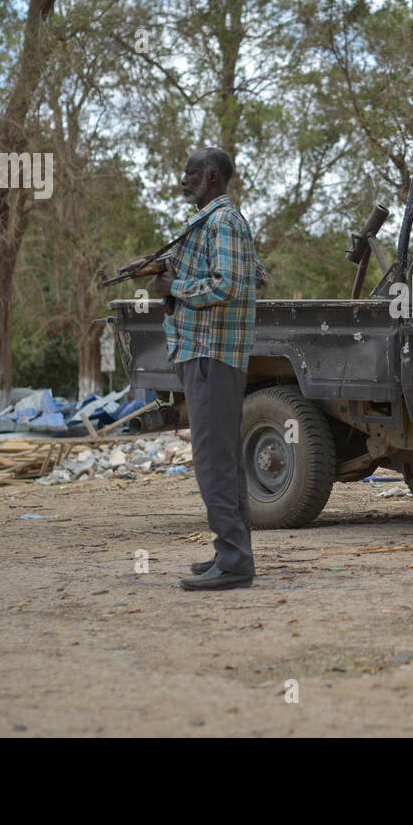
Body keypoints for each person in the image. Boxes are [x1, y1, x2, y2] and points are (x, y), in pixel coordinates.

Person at [154, 147, 262, 590]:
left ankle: (234, 561)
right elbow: (248, 275)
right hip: (206, 353)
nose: (183, 179)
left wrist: (175, 286)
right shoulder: (215, 222)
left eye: (191, 172)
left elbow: (229, 283)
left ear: (213, 178)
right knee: (224, 460)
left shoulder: (222, 221)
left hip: (211, 354)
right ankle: (232, 553)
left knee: (213, 462)